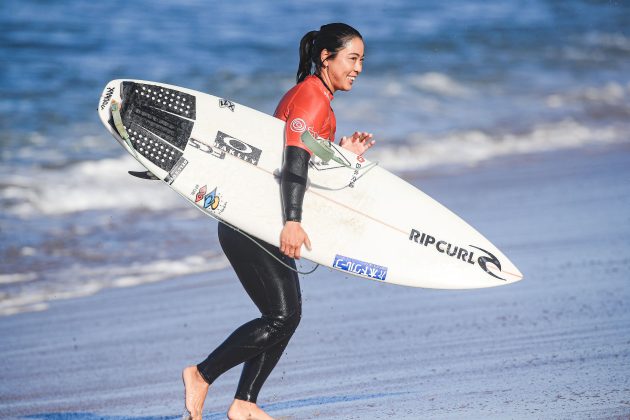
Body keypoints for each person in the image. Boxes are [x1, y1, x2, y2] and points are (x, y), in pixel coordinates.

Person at [182, 22, 375, 420]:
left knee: (285, 316)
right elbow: (292, 165)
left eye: (361, 60)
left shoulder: (316, 98)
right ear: (327, 58)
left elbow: (304, 164)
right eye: (352, 58)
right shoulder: (312, 98)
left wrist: (341, 155)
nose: (358, 68)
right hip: (252, 222)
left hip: (262, 219)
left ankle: (244, 404)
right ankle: (201, 375)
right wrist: (292, 221)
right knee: (283, 316)